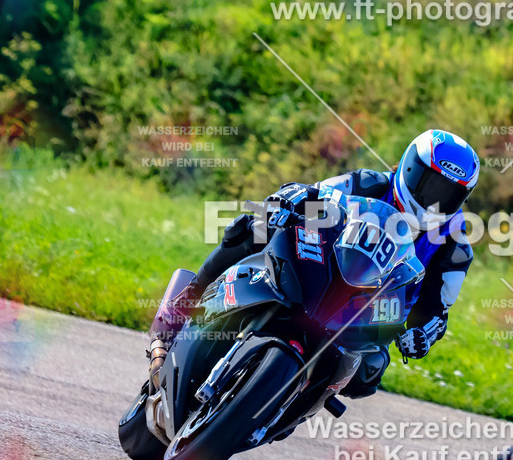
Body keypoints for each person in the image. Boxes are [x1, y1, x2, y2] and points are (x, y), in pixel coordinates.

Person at [146, 129, 480, 398]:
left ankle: (288, 405)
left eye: (447, 194)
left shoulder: (455, 246)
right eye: (430, 184)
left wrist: (421, 335)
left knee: (369, 374)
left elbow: (438, 311)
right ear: (409, 168)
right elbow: (317, 194)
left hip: (371, 313)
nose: (434, 199)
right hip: (324, 269)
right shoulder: (369, 183)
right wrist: (294, 197)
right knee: (254, 225)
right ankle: (187, 300)